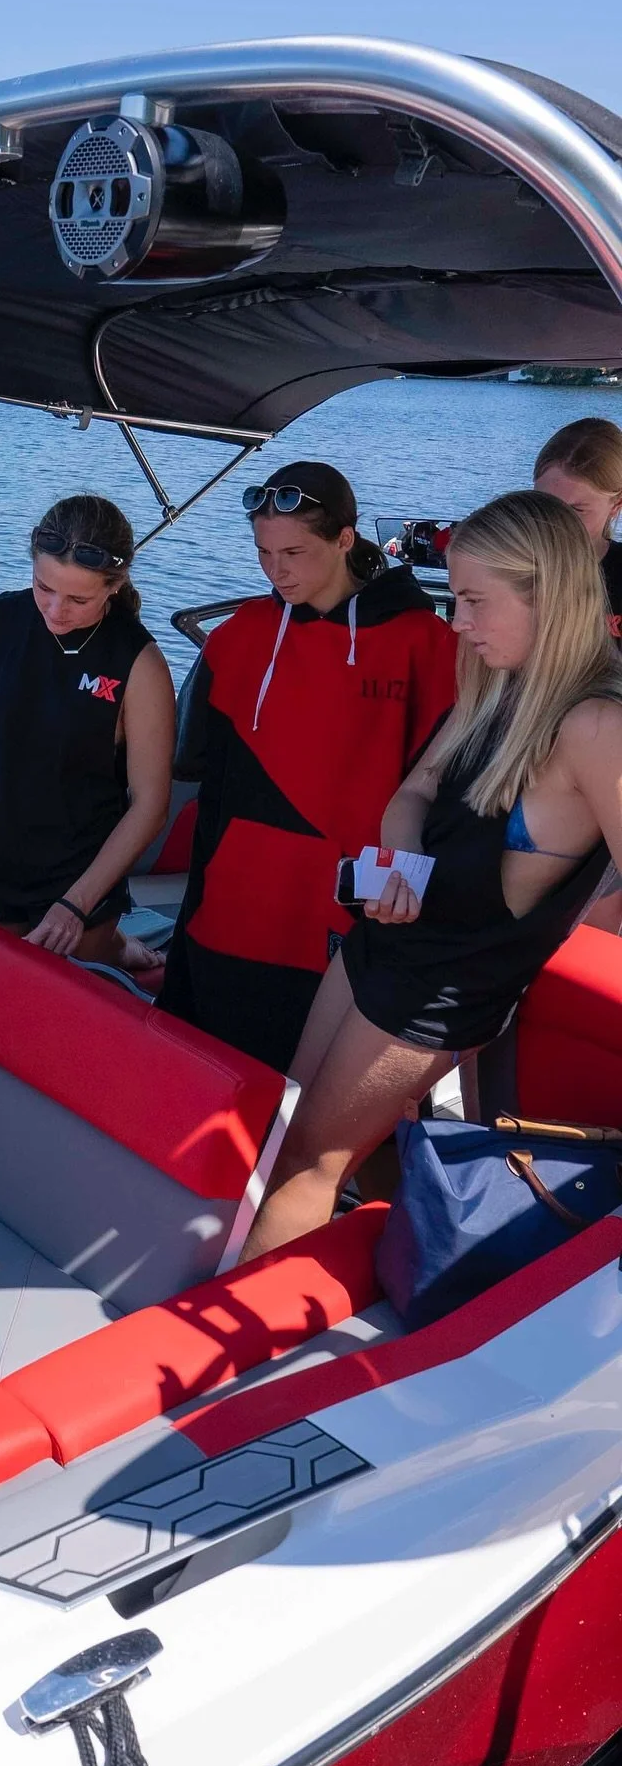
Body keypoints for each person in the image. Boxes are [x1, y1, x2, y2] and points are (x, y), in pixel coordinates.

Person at [239, 491, 622, 1261]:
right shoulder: (500, 684)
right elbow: (414, 792)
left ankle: (229, 1358)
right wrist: (402, 871)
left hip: (442, 986)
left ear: (547, 595)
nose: (456, 622)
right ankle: (360, 1259)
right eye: (456, 598)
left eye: (475, 601)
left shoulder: (595, 725)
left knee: (309, 1162)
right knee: (286, 1132)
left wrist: (546, 948)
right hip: (386, 935)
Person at [159, 462, 456, 1073]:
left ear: (345, 539)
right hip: (235, 912)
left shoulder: (426, 644)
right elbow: (191, 768)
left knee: (315, 1103)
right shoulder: (237, 638)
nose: (277, 570)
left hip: (350, 914)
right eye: (264, 552)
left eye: (294, 551)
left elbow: (449, 795)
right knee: (213, 1080)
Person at [0, 494, 175, 969]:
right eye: (44, 587)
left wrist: (76, 904)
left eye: (78, 599)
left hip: (80, 880)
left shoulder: (140, 665)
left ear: (114, 586)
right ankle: (123, 947)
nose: (56, 610)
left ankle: (123, 947)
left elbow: (151, 806)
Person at [534, 416, 622, 633]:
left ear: (616, 505)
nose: (554, 522)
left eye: (576, 510)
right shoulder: (507, 566)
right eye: (543, 503)